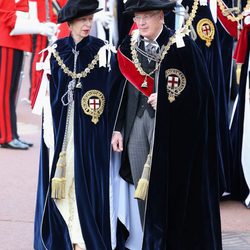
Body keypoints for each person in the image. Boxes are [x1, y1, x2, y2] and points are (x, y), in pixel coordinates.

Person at [111, 0, 223, 248]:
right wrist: (117, 128)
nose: (141, 22)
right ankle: (149, 242)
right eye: (137, 17)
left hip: (170, 132)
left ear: (161, 16)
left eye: (147, 16)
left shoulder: (182, 48)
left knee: (166, 189)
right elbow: (119, 92)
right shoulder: (128, 46)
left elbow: (201, 95)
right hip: (136, 127)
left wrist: (167, 101)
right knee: (142, 189)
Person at [33, 0, 117, 249]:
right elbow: (49, 97)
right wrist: (50, 130)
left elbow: (109, 97)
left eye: (90, 20)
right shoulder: (57, 51)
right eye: (83, 20)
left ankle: (83, 235)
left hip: (90, 134)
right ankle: (64, 232)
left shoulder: (102, 51)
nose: (87, 25)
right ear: (70, 23)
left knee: (86, 181)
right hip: (63, 132)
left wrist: (111, 130)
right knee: (63, 177)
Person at [0, 0, 57, 150]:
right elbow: (9, 17)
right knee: (5, 93)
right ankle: (6, 136)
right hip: (8, 41)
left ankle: (12, 134)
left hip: (15, 42)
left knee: (11, 93)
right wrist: (39, 27)